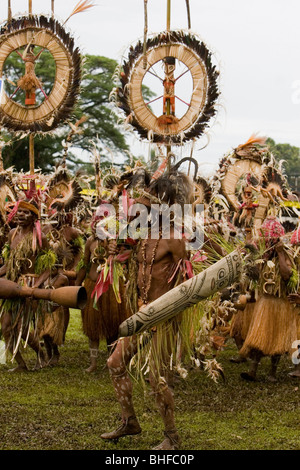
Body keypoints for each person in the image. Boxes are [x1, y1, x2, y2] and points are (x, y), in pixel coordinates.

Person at [100, 172, 193, 450]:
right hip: (141, 315)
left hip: (163, 318)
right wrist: (115, 249)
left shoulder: (176, 238)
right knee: (115, 363)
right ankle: (130, 421)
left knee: (156, 378)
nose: (139, 206)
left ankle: (172, 437)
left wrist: (172, 310)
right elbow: (130, 261)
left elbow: (190, 281)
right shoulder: (142, 233)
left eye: (147, 202)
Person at [239, 216, 298, 382]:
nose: (266, 241)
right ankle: (252, 370)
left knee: (278, 339)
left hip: (280, 303)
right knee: (258, 339)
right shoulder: (262, 254)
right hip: (265, 302)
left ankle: (272, 372)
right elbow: (254, 277)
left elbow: (287, 275)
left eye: (268, 237)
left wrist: (279, 252)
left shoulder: (285, 252)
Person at [0, 199, 51, 372]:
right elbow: (9, 264)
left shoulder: (39, 237)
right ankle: (21, 364)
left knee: (21, 328)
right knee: (6, 326)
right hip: (12, 283)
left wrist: (35, 287)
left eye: (26, 212)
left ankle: (40, 354)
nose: (21, 215)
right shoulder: (12, 234)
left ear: (34, 218)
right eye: (19, 211)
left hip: (30, 284)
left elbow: (48, 267)